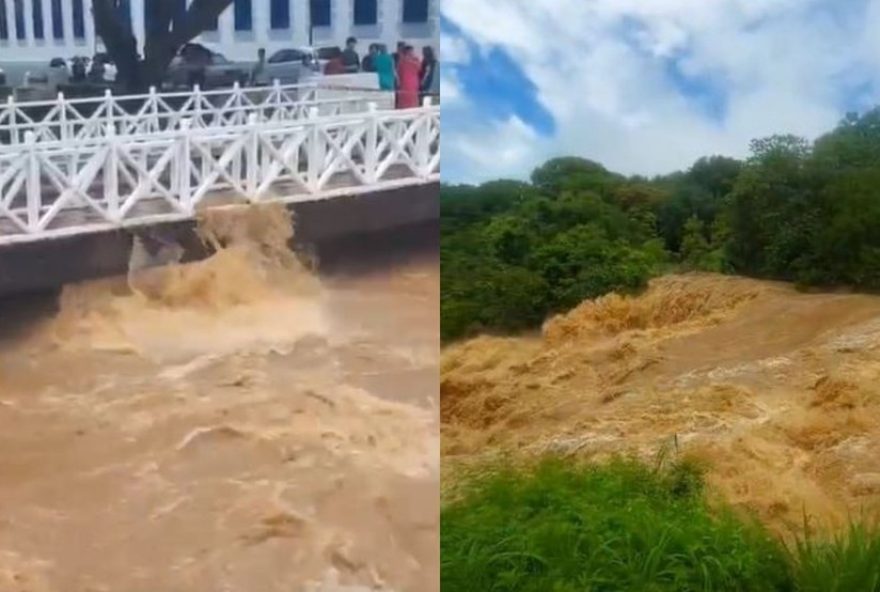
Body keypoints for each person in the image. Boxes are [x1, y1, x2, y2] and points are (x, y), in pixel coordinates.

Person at [396, 45, 420, 109]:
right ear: (406, 52)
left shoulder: (415, 60)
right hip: (405, 84)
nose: (412, 53)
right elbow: (399, 72)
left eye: (412, 51)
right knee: (404, 100)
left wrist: (407, 60)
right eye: (410, 51)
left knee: (412, 100)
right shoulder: (402, 61)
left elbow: (418, 68)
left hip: (413, 84)